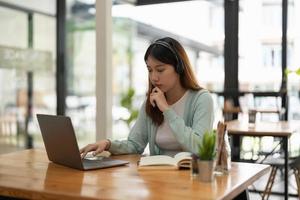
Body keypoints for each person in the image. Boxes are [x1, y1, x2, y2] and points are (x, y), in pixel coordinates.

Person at [80, 37, 214, 158]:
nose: (154, 77)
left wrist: (167, 110)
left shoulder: (201, 99)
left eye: (160, 70)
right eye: (150, 70)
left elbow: (200, 148)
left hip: (191, 179)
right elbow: (135, 145)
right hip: (158, 179)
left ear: (179, 68)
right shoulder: (151, 102)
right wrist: (108, 144)